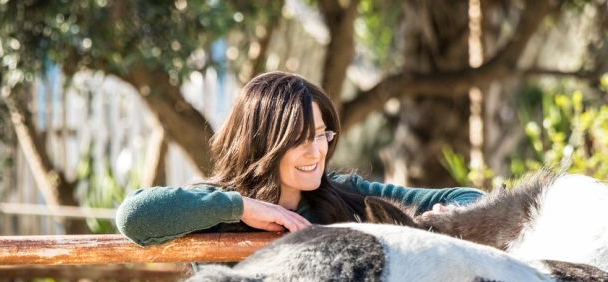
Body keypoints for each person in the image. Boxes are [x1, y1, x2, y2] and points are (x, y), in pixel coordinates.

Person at [115, 71, 484, 246]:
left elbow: (471, 199)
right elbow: (134, 217)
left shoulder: (346, 194)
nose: (317, 151)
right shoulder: (214, 208)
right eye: (299, 140)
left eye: (322, 135)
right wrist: (242, 208)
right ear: (263, 143)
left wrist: (450, 217)